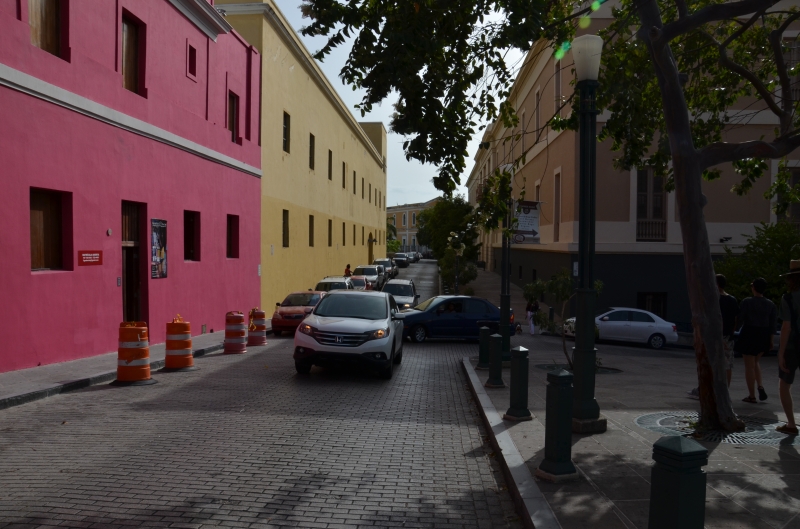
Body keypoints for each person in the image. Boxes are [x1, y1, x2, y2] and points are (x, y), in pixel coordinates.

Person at [688, 274, 739, 399]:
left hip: (712, 336)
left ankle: (705, 389)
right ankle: (725, 392)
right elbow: (735, 320)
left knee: (709, 362)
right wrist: (730, 332)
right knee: (727, 365)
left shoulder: (711, 299)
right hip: (727, 336)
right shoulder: (732, 300)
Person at [737, 277, 776, 403]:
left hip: (749, 332)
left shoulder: (747, 302)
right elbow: (772, 324)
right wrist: (771, 340)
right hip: (763, 334)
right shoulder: (770, 304)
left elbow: (740, 318)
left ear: (753, 287)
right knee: (756, 361)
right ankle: (760, 385)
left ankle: (752, 395)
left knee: (749, 366)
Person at [777, 260, 800, 434]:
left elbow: (787, 327)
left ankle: (791, 424)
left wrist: (781, 352)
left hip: (793, 346)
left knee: (784, 383)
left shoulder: (788, 298)